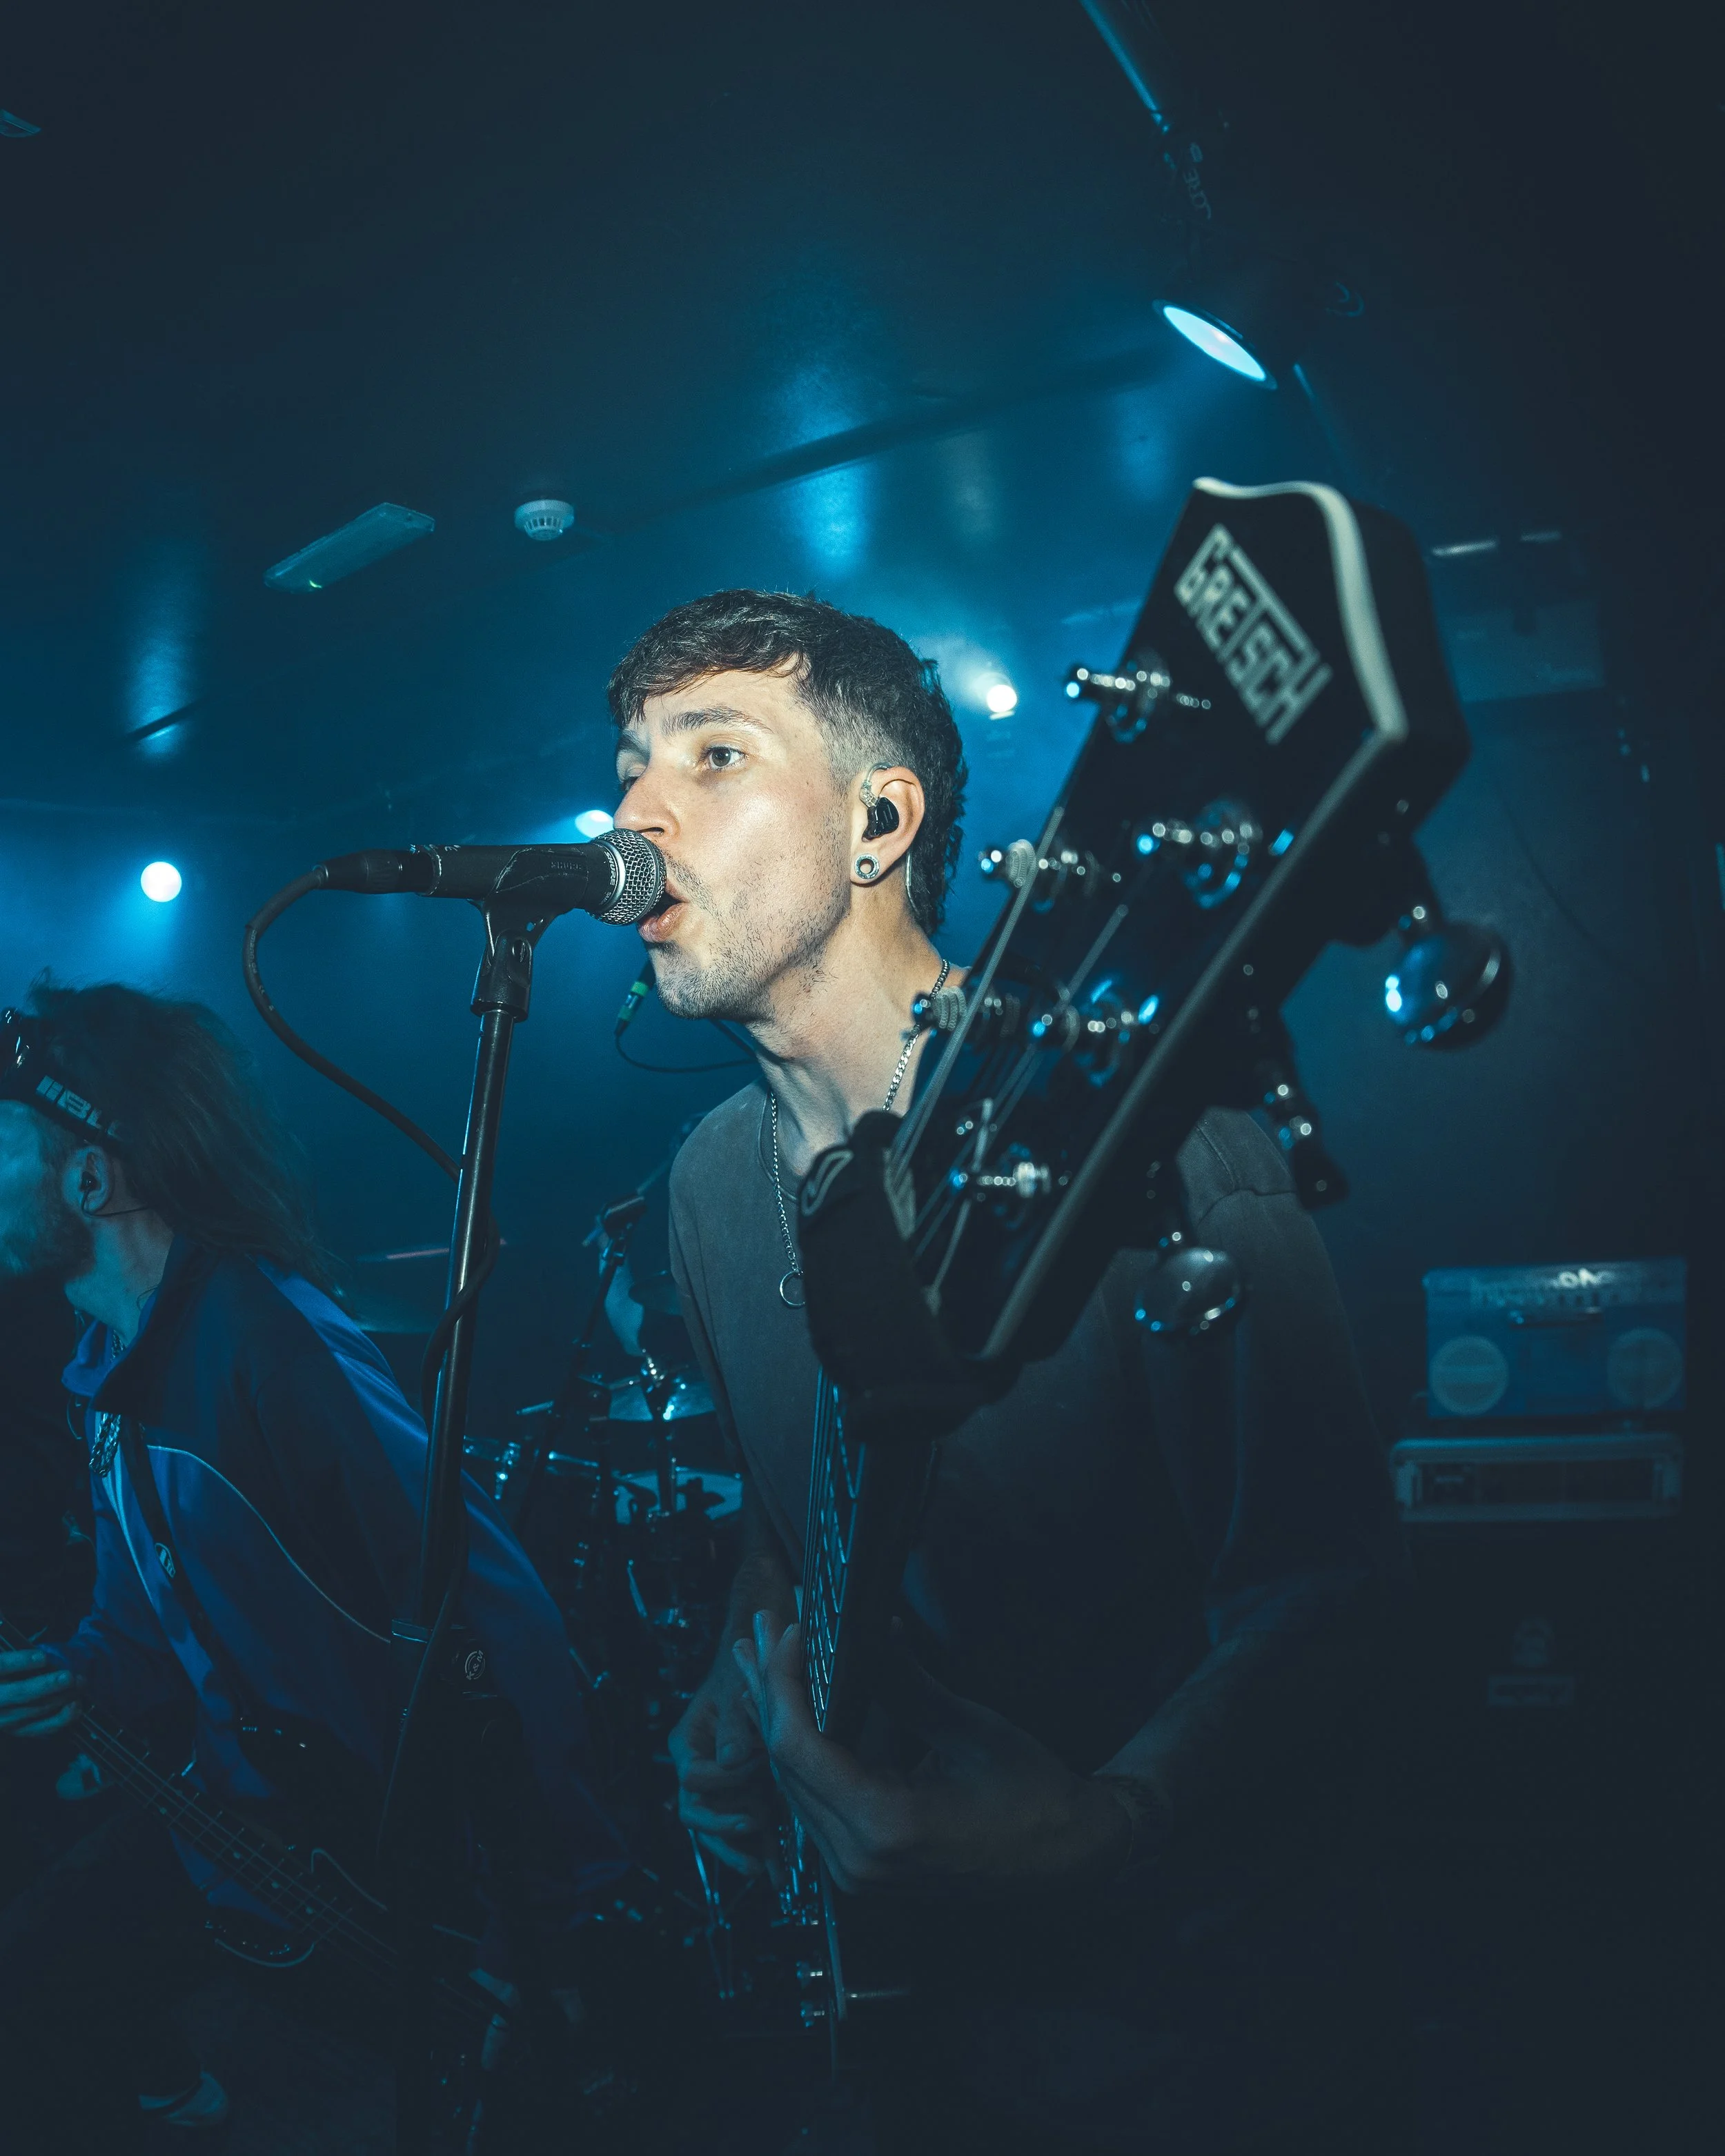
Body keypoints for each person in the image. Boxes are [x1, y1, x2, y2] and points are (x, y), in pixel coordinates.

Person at [609, 591, 1408, 2153]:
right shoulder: (702, 1184)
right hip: (905, 2022)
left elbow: (1335, 1591)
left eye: (714, 754)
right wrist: (734, 1683)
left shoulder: (1155, 1143)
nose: (635, 809)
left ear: (879, 822)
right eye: (632, 762)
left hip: (1187, 2030)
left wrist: (1111, 1825)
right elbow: (789, 1512)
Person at [0, 983, 623, 2148]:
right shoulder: (107, 1371)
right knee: (32, 1989)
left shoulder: (269, 1349)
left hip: (388, 1875)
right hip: (250, 1844)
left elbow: (504, 1626)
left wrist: (540, 1932)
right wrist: (73, 1676)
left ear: (90, 1179)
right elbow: (141, 1635)